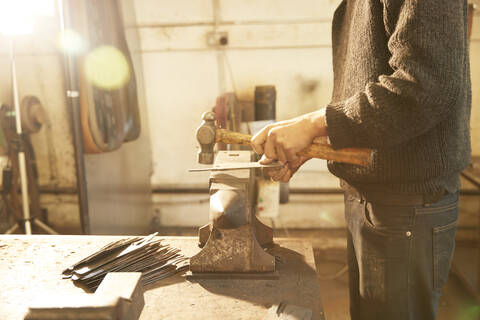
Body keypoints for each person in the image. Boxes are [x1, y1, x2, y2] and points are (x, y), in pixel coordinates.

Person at [251, 1, 471, 319]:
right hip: (371, 198)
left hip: (406, 205)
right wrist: (322, 139)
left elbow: (422, 87)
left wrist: (316, 123)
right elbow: (373, 79)